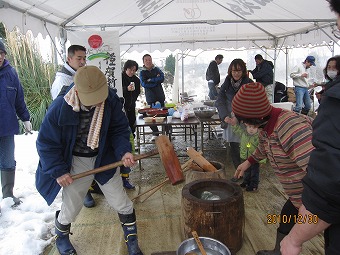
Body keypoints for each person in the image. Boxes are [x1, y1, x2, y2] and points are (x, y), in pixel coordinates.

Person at [36, 66, 143, 255]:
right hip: (76, 159)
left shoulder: (110, 100)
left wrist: (124, 151)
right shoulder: (60, 107)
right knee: (71, 207)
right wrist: (59, 170)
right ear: (77, 91)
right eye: (91, 99)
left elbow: (119, 129)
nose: (96, 103)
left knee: (121, 201)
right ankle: (61, 237)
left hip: (104, 157)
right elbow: (46, 143)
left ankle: (132, 241)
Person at [280, 1, 340, 254]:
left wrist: (295, 240)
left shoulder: (290, 127)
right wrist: (250, 160)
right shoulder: (267, 129)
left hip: (307, 201)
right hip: (306, 200)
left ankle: (282, 244)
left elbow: (329, 178)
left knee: (285, 223)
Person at [232, 82, 314, 255]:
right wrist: (247, 163)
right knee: (286, 219)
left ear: (254, 118)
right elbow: (263, 146)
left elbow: (320, 172)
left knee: (331, 240)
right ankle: (278, 251)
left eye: (244, 120)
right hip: (297, 194)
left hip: (316, 196)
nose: (243, 124)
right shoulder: (267, 125)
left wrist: (311, 207)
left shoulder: (291, 128)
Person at [49, 45, 96, 208]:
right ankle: (83, 193)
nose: (83, 61)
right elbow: (60, 111)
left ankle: (91, 185)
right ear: (69, 59)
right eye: (79, 58)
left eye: (84, 58)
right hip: (69, 131)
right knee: (74, 164)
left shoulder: (80, 75)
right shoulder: (62, 81)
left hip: (82, 129)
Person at [0, 40, 32, 212]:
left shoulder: (11, 73)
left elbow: (19, 99)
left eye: (1, 53)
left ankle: (8, 195)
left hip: (6, 126)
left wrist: (25, 118)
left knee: (7, 161)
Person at [215, 58, 253, 181]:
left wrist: (239, 117)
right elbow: (219, 101)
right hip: (230, 121)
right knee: (234, 147)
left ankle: (249, 174)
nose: (236, 73)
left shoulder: (249, 84)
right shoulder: (226, 84)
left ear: (243, 71)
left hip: (246, 122)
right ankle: (239, 172)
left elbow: (251, 103)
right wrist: (224, 115)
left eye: (239, 71)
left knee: (247, 147)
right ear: (230, 71)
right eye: (234, 71)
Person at [225, 120, 264, 192]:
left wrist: (262, 160)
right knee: (246, 171)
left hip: (254, 159)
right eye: (249, 127)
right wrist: (233, 124)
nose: (251, 129)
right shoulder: (243, 133)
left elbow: (262, 149)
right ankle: (246, 182)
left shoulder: (259, 137)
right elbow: (237, 130)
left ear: (258, 128)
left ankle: (253, 185)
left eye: (254, 128)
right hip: (244, 157)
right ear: (246, 125)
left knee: (254, 172)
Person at [139, 54, 165, 141]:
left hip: (160, 95)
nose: (148, 61)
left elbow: (162, 78)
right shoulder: (142, 72)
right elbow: (144, 84)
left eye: (149, 59)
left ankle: (167, 133)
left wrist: (151, 80)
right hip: (150, 97)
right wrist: (155, 81)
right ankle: (155, 133)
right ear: (143, 62)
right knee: (150, 117)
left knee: (164, 114)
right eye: (146, 60)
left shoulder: (156, 69)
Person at [122, 60, 141, 136]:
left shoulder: (136, 80)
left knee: (132, 123)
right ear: (126, 69)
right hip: (122, 106)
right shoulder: (120, 78)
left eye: (134, 70)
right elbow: (117, 90)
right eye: (130, 70)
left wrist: (133, 99)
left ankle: (132, 142)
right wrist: (126, 89)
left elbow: (137, 92)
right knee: (124, 125)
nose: (132, 72)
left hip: (132, 105)